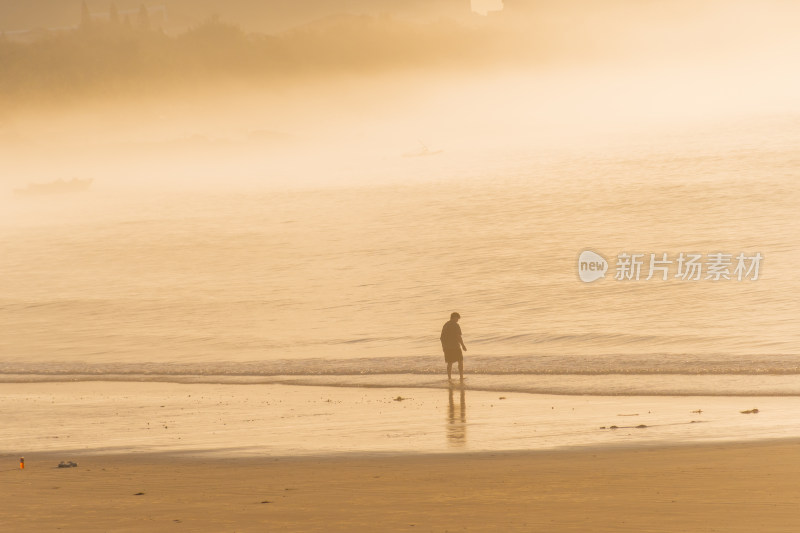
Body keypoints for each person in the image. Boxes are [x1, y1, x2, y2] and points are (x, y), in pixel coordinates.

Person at [440, 312, 467, 380]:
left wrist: (443, 347)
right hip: (455, 346)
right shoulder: (455, 325)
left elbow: (442, 338)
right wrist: (463, 345)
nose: (458, 320)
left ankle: (449, 377)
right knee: (460, 361)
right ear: (454, 317)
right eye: (457, 318)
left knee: (449, 363)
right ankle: (461, 377)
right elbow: (458, 336)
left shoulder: (445, 325)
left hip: (447, 347)